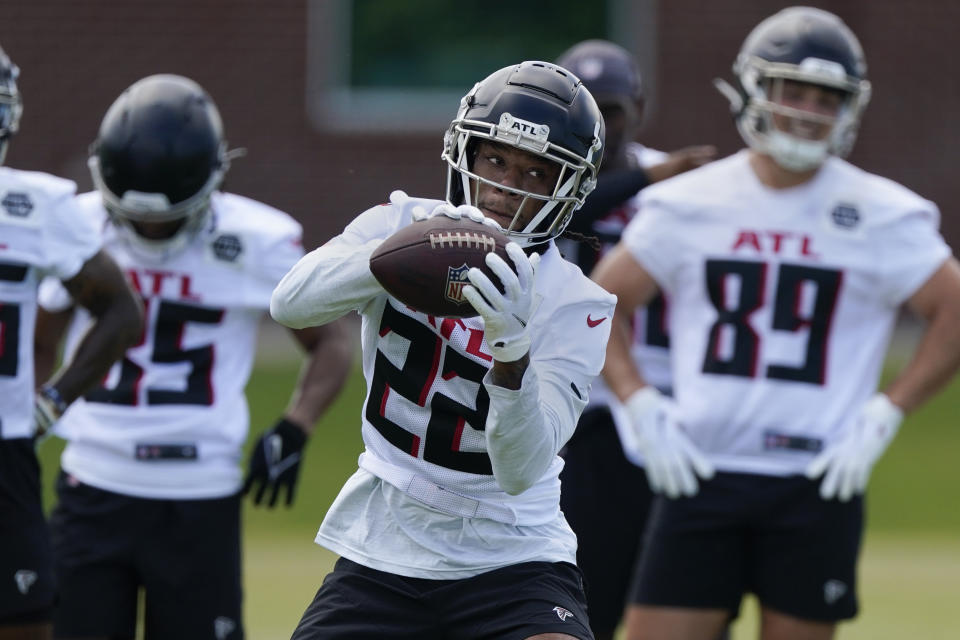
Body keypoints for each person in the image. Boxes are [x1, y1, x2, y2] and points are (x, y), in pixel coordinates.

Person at [592, 7, 960, 640]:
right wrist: (637, 401)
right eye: (795, 91)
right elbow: (601, 305)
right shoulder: (693, 201)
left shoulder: (878, 211)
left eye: (827, 97)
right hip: (700, 469)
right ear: (755, 89)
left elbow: (954, 308)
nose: (809, 110)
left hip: (815, 478)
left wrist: (887, 411)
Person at [271, 60, 615, 640]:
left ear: (567, 189)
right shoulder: (401, 221)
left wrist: (511, 350)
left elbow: (520, 468)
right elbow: (291, 303)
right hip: (388, 540)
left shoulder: (575, 303)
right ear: (466, 154)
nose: (509, 187)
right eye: (497, 160)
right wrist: (401, 254)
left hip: (512, 553)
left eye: (536, 173)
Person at [32, 74, 353, 640]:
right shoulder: (77, 225)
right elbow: (38, 344)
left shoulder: (257, 238)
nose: (150, 230)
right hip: (92, 480)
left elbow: (330, 339)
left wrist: (296, 426)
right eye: (134, 218)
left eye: (168, 216)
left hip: (199, 493)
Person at [552, 39, 715, 640]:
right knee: (586, 590)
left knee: (688, 591)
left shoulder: (678, 189)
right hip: (584, 410)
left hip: (671, 401)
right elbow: (575, 208)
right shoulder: (548, 179)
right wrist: (653, 176)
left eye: (612, 108)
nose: (601, 120)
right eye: (587, 104)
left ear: (638, 108)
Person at [0, 46, 142, 640]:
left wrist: (53, 399)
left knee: (28, 623)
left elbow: (120, 311)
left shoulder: (31, 206)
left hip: (4, 453)